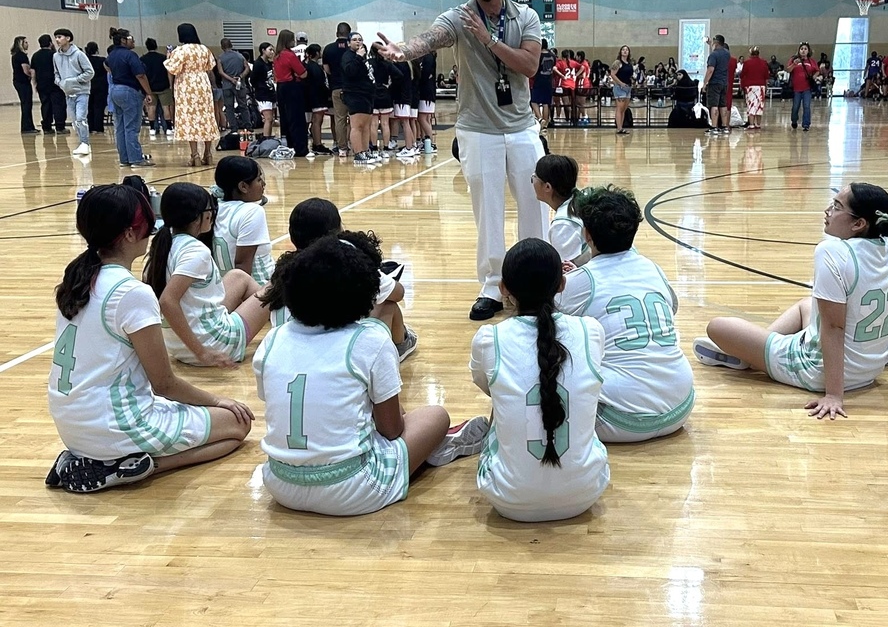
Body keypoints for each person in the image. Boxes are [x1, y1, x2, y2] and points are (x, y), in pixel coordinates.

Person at [253, 236, 485, 517]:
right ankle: (432, 449)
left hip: (280, 483)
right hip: (351, 489)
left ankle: (425, 450)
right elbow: (391, 430)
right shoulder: (369, 339)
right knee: (435, 416)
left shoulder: (273, 339)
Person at [377, 0, 548, 320]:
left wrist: (489, 40)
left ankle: (536, 284)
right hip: (478, 130)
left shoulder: (526, 17)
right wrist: (402, 51)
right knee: (488, 211)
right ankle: (493, 286)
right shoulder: (458, 17)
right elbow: (429, 38)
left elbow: (529, 65)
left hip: (521, 127)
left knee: (535, 206)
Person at [46, 185, 253, 493]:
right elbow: (164, 384)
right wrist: (218, 400)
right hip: (114, 426)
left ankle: (100, 459)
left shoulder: (76, 278)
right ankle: (131, 466)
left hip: (71, 423)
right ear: (130, 234)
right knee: (238, 423)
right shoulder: (131, 293)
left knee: (193, 412)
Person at [694, 183, 888, 419]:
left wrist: (834, 395)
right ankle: (753, 351)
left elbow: (834, 328)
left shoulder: (831, 251)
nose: (827, 211)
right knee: (805, 304)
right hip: (871, 369)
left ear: (858, 224)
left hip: (818, 370)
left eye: (836, 207)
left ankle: (749, 356)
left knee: (717, 326)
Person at [470, 238, 609, 521]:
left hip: (508, 501)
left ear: (503, 288)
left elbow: (487, 389)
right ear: (562, 284)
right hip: (585, 494)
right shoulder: (591, 330)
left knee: (500, 400)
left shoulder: (489, 338)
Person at [556, 186, 695, 442]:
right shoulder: (652, 268)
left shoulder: (582, 280)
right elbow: (672, 308)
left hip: (621, 419)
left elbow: (539, 317)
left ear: (586, 234)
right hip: (681, 406)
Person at [260, 197, 418, 360]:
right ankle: (400, 345)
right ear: (337, 232)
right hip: (329, 355)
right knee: (387, 304)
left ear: (292, 236)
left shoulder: (282, 268)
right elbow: (398, 293)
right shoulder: (345, 266)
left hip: (284, 352)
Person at [144, 182, 271, 367]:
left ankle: (274, 317)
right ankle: (288, 327)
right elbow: (167, 301)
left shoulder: (161, 245)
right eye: (210, 209)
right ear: (198, 217)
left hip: (177, 346)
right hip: (213, 344)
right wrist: (202, 353)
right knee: (276, 285)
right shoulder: (196, 251)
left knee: (238, 276)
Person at [211, 156, 274, 285]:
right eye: (258, 179)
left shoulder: (214, 206)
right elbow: (242, 268)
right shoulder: (252, 211)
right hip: (259, 288)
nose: (263, 184)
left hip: (223, 286)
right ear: (243, 186)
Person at [163, 23, 218, 167]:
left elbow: (173, 69)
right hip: (203, 83)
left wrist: (168, 56)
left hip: (186, 85)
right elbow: (210, 66)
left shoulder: (180, 51)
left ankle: (195, 155)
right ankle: (208, 153)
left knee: (190, 120)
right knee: (206, 118)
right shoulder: (204, 49)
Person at [105, 28, 155, 168]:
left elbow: (106, 65)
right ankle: (136, 159)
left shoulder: (112, 54)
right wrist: (148, 92)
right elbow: (140, 75)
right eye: (130, 38)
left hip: (115, 90)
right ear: (123, 40)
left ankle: (124, 159)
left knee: (120, 127)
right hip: (129, 91)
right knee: (131, 127)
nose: (133, 41)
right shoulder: (130, 55)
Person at [532, 154, 590, 266]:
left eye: (534, 177)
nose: (532, 181)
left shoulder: (563, 225)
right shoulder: (579, 199)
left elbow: (566, 270)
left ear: (547, 187)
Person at [52, 28, 95, 157]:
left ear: (68, 38)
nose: (57, 40)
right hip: (68, 93)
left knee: (81, 118)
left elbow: (90, 72)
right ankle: (82, 143)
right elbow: (56, 73)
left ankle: (85, 143)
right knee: (75, 121)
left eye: (60, 37)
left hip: (82, 92)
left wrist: (75, 80)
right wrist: (60, 83)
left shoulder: (79, 54)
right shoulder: (55, 56)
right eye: (56, 37)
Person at [341, 32, 377, 165]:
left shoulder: (364, 57)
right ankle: (358, 153)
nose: (358, 42)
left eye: (360, 39)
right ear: (348, 43)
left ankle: (365, 150)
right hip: (354, 94)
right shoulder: (348, 56)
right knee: (357, 126)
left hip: (367, 94)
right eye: (355, 40)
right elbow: (350, 71)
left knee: (366, 126)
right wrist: (358, 57)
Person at [272, 29, 309, 157]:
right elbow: (303, 73)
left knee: (285, 118)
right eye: (292, 39)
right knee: (297, 118)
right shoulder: (289, 55)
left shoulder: (276, 56)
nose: (294, 42)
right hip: (292, 88)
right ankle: (301, 149)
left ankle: (290, 146)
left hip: (281, 87)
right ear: (288, 40)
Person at [322, 22, 352, 156]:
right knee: (354, 118)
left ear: (336, 33)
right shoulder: (353, 48)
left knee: (340, 119)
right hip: (353, 88)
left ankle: (342, 148)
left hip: (336, 87)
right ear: (349, 34)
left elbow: (327, 69)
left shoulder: (328, 49)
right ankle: (355, 144)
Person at [31, 34, 67, 134]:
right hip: (55, 84)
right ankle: (60, 127)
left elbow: (33, 72)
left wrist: (35, 84)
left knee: (45, 105)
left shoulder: (35, 55)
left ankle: (47, 127)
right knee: (58, 105)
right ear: (50, 43)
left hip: (42, 84)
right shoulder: (55, 55)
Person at [217, 38, 252, 133]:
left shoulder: (220, 58)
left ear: (222, 47)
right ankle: (248, 125)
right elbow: (247, 68)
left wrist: (231, 79)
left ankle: (233, 127)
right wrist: (240, 76)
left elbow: (221, 72)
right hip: (240, 84)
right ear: (231, 45)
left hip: (227, 86)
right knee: (243, 105)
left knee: (229, 107)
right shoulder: (240, 56)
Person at [303, 44, 333, 154]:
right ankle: (317, 144)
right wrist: (327, 93)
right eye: (320, 51)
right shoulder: (314, 67)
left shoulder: (310, 65)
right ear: (316, 53)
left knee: (313, 121)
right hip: (317, 98)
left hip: (313, 97)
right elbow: (319, 84)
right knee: (317, 121)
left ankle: (314, 143)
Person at [140, 39, 173, 139]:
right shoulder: (162, 58)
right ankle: (169, 128)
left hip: (150, 88)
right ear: (156, 46)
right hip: (163, 86)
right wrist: (170, 85)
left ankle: (152, 129)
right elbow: (168, 72)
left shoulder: (143, 59)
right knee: (166, 108)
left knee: (151, 108)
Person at [369, 43, 397, 156]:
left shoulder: (368, 63)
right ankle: (386, 148)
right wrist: (390, 86)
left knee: (374, 124)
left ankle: (374, 148)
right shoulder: (387, 64)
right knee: (385, 124)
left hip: (373, 95)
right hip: (385, 95)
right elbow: (399, 75)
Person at [786, 42, 819, 131]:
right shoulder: (793, 60)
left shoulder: (811, 61)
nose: (803, 51)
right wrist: (794, 64)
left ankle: (806, 124)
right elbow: (788, 70)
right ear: (799, 50)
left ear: (808, 51)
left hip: (807, 88)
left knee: (806, 106)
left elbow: (817, 70)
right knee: (795, 106)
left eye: (805, 49)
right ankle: (794, 120)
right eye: (801, 49)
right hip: (796, 88)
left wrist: (814, 76)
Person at [702, 34, 730, 135]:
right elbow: (717, 52)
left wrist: (705, 83)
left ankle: (714, 127)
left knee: (714, 105)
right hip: (724, 82)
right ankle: (724, 127)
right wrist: (710, 44)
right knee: (723, 105)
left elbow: (710, 70)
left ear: (717, 43)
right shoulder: (727, 53)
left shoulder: (713, 55)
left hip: (714, 83)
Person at [250, 42, 277, 137]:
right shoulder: (258, 64)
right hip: (263, 94)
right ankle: (266, 138)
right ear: (263, 50)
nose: (272, 52)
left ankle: (268, 137)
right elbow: (253, 79)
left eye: (273, 50)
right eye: (270, 50)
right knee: (268, 118)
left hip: (270, 93)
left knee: (271, 119)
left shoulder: (269, 63)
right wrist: (260, 87)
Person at [11, 36, 37, 133]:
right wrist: (33, 76)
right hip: (23, 82)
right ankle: (27, 127)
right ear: (20, 44)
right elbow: (26, 70)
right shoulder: (22, 56)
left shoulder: (15, 55)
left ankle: (29, 126)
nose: (27, 44)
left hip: (18, 81)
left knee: (26, 103)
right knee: (27, 104)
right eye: (25, 42)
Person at [740, 46, 770, 130]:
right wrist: (766, 87)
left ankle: (751, 124)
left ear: (750, 53)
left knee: (751, 105)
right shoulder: (764, 62)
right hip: (761, 86)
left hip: (750, 87)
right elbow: (766, 76)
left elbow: (742, 75)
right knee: (759, 105)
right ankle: (758, 124)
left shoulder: (747, 63)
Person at [414, 51, 437, 151]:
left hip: (426, 92)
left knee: (422, 118)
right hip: (426, 92)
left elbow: (425, 73)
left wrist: (417, 80)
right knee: (426, 119)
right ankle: (426, 141)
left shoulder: (428, 57)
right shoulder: (426, 57)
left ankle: (431, 143)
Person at [609, 45, 633, 135]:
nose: (625, 51)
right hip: (619, 88)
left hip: (628, 87)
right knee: (619, 108)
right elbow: (612, 74)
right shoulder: (617, 62)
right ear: (620, 52)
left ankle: (621, 127)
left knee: (624, 109)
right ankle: (619, 128)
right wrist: (621, 83)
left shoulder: (629, 63)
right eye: (623, 50)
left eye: (627, 50)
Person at [531, 39, 556, 127]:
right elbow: (553, 66)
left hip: (539, 80)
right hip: (549, 81)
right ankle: (545, 123)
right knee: (546, 103)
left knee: (533, 101)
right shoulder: (553, 56)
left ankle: (540, 118)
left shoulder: (538, 56)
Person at [84, 42, 108, 134]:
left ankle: (90, 127)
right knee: (99, 107)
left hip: (88, 86)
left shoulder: (85, 60)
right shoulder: (102, 60)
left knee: (89, 107)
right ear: (97, 50)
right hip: (101, 86)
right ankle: (99, 127)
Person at [575, 50, 592, 125]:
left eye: (577, 56)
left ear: (579, 56)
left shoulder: (583, 65)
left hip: (583, 84)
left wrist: (575, 76)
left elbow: (583, 76)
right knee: (578, 102)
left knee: (581, 102)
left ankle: (585, 116)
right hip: (582, 84)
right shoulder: (583, 63)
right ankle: (579, 117)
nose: (575, 57)